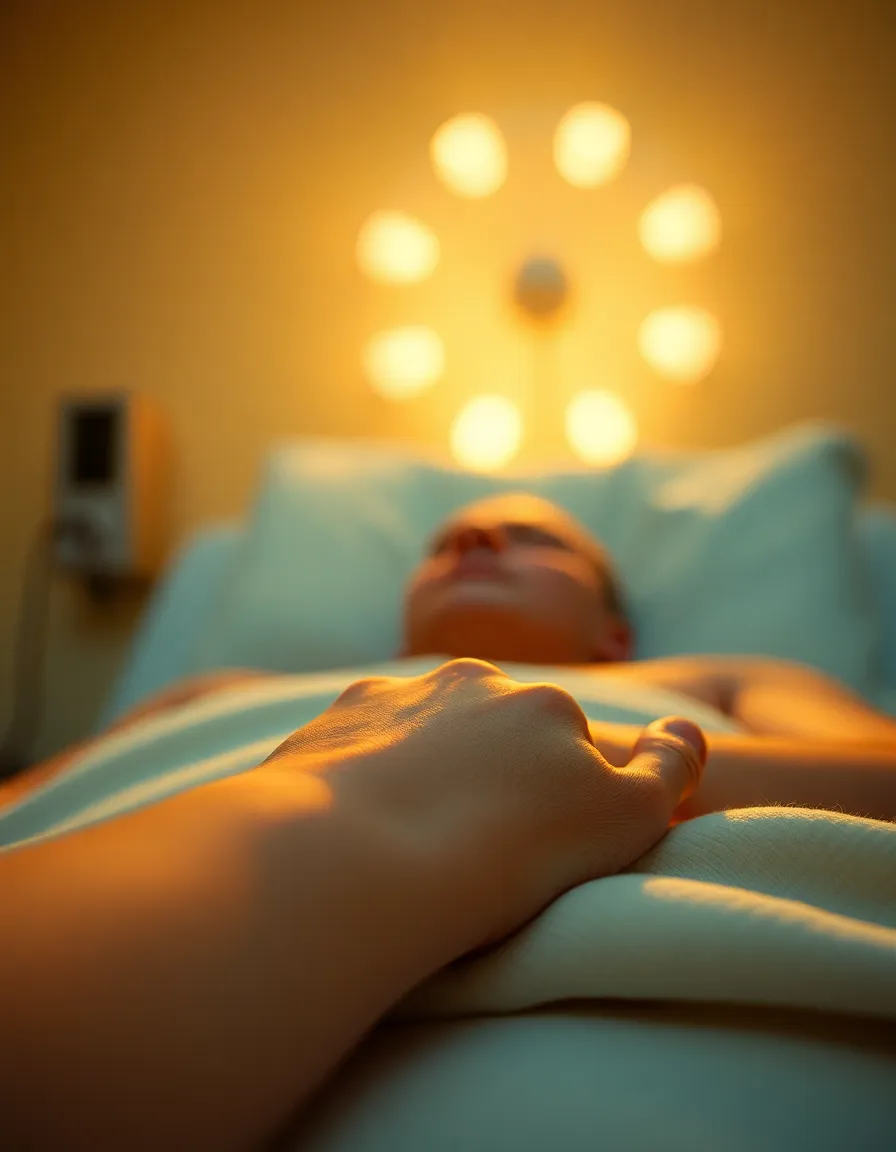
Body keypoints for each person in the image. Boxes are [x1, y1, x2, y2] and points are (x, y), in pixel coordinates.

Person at [0, 492, 894, 1150]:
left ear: (615, 636)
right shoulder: (222, 694)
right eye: (443, 543)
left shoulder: (720, 679)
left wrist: (570, 751)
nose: (474, 535)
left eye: (536, 538)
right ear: (399, 640)